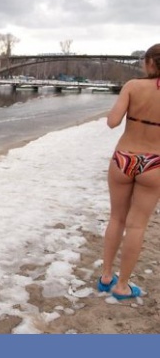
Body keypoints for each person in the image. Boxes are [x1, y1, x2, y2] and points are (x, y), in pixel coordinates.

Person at [98, 43, 160, 300]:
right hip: (154, 163)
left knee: (117, 219)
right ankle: (122, 286)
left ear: (148, 63)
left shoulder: (133, 86)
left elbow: (112, 122)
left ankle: (105, 276)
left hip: (124, 158)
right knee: (136, 227)